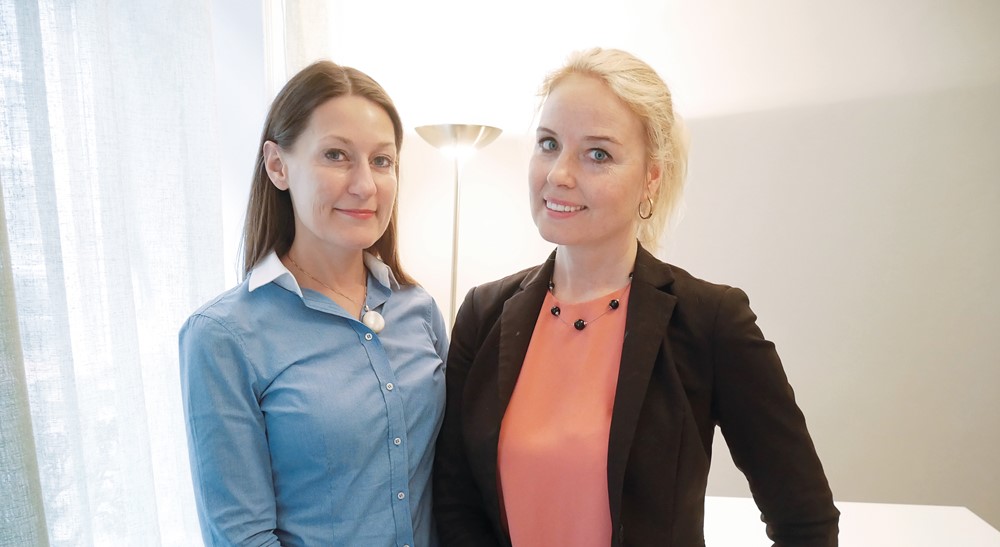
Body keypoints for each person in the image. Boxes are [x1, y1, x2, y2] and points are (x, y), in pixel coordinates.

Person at [433, 48, 839, 546]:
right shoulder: (483, 314)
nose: (559, 174)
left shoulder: (711, 321)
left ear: (651, 177)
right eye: (548, 143)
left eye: (598, 154)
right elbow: (455, 504)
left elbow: (806, 520)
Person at [179, 60, 448, 546]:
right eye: (336, 155)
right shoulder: (222, 337)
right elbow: (242, 536)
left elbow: (451, 479)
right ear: (277, 165)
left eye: (382, 161)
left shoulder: (418, 309)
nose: (365, 185)